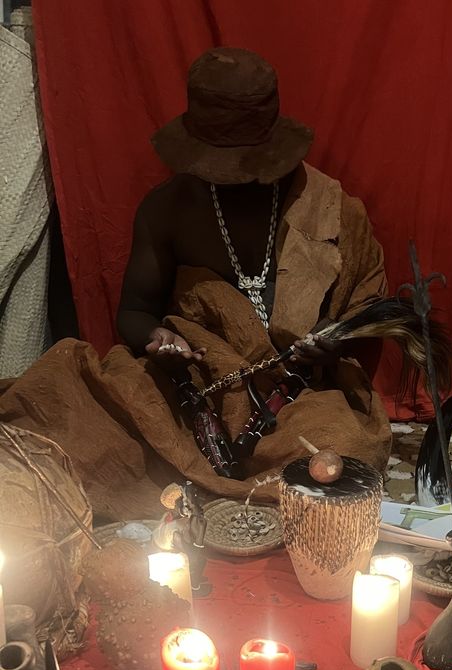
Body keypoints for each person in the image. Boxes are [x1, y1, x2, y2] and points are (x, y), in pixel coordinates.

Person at [0, 48, 391, 519]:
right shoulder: (166, 208)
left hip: (293, 392)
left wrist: (332, 340)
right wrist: (158, 337)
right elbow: (134, 310)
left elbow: (366, 305)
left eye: (247, 164)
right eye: (220, 165)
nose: (234, 177)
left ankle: (215, 482)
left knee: (341, 450)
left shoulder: (328, 206)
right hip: (194, 383)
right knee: (75, 426)